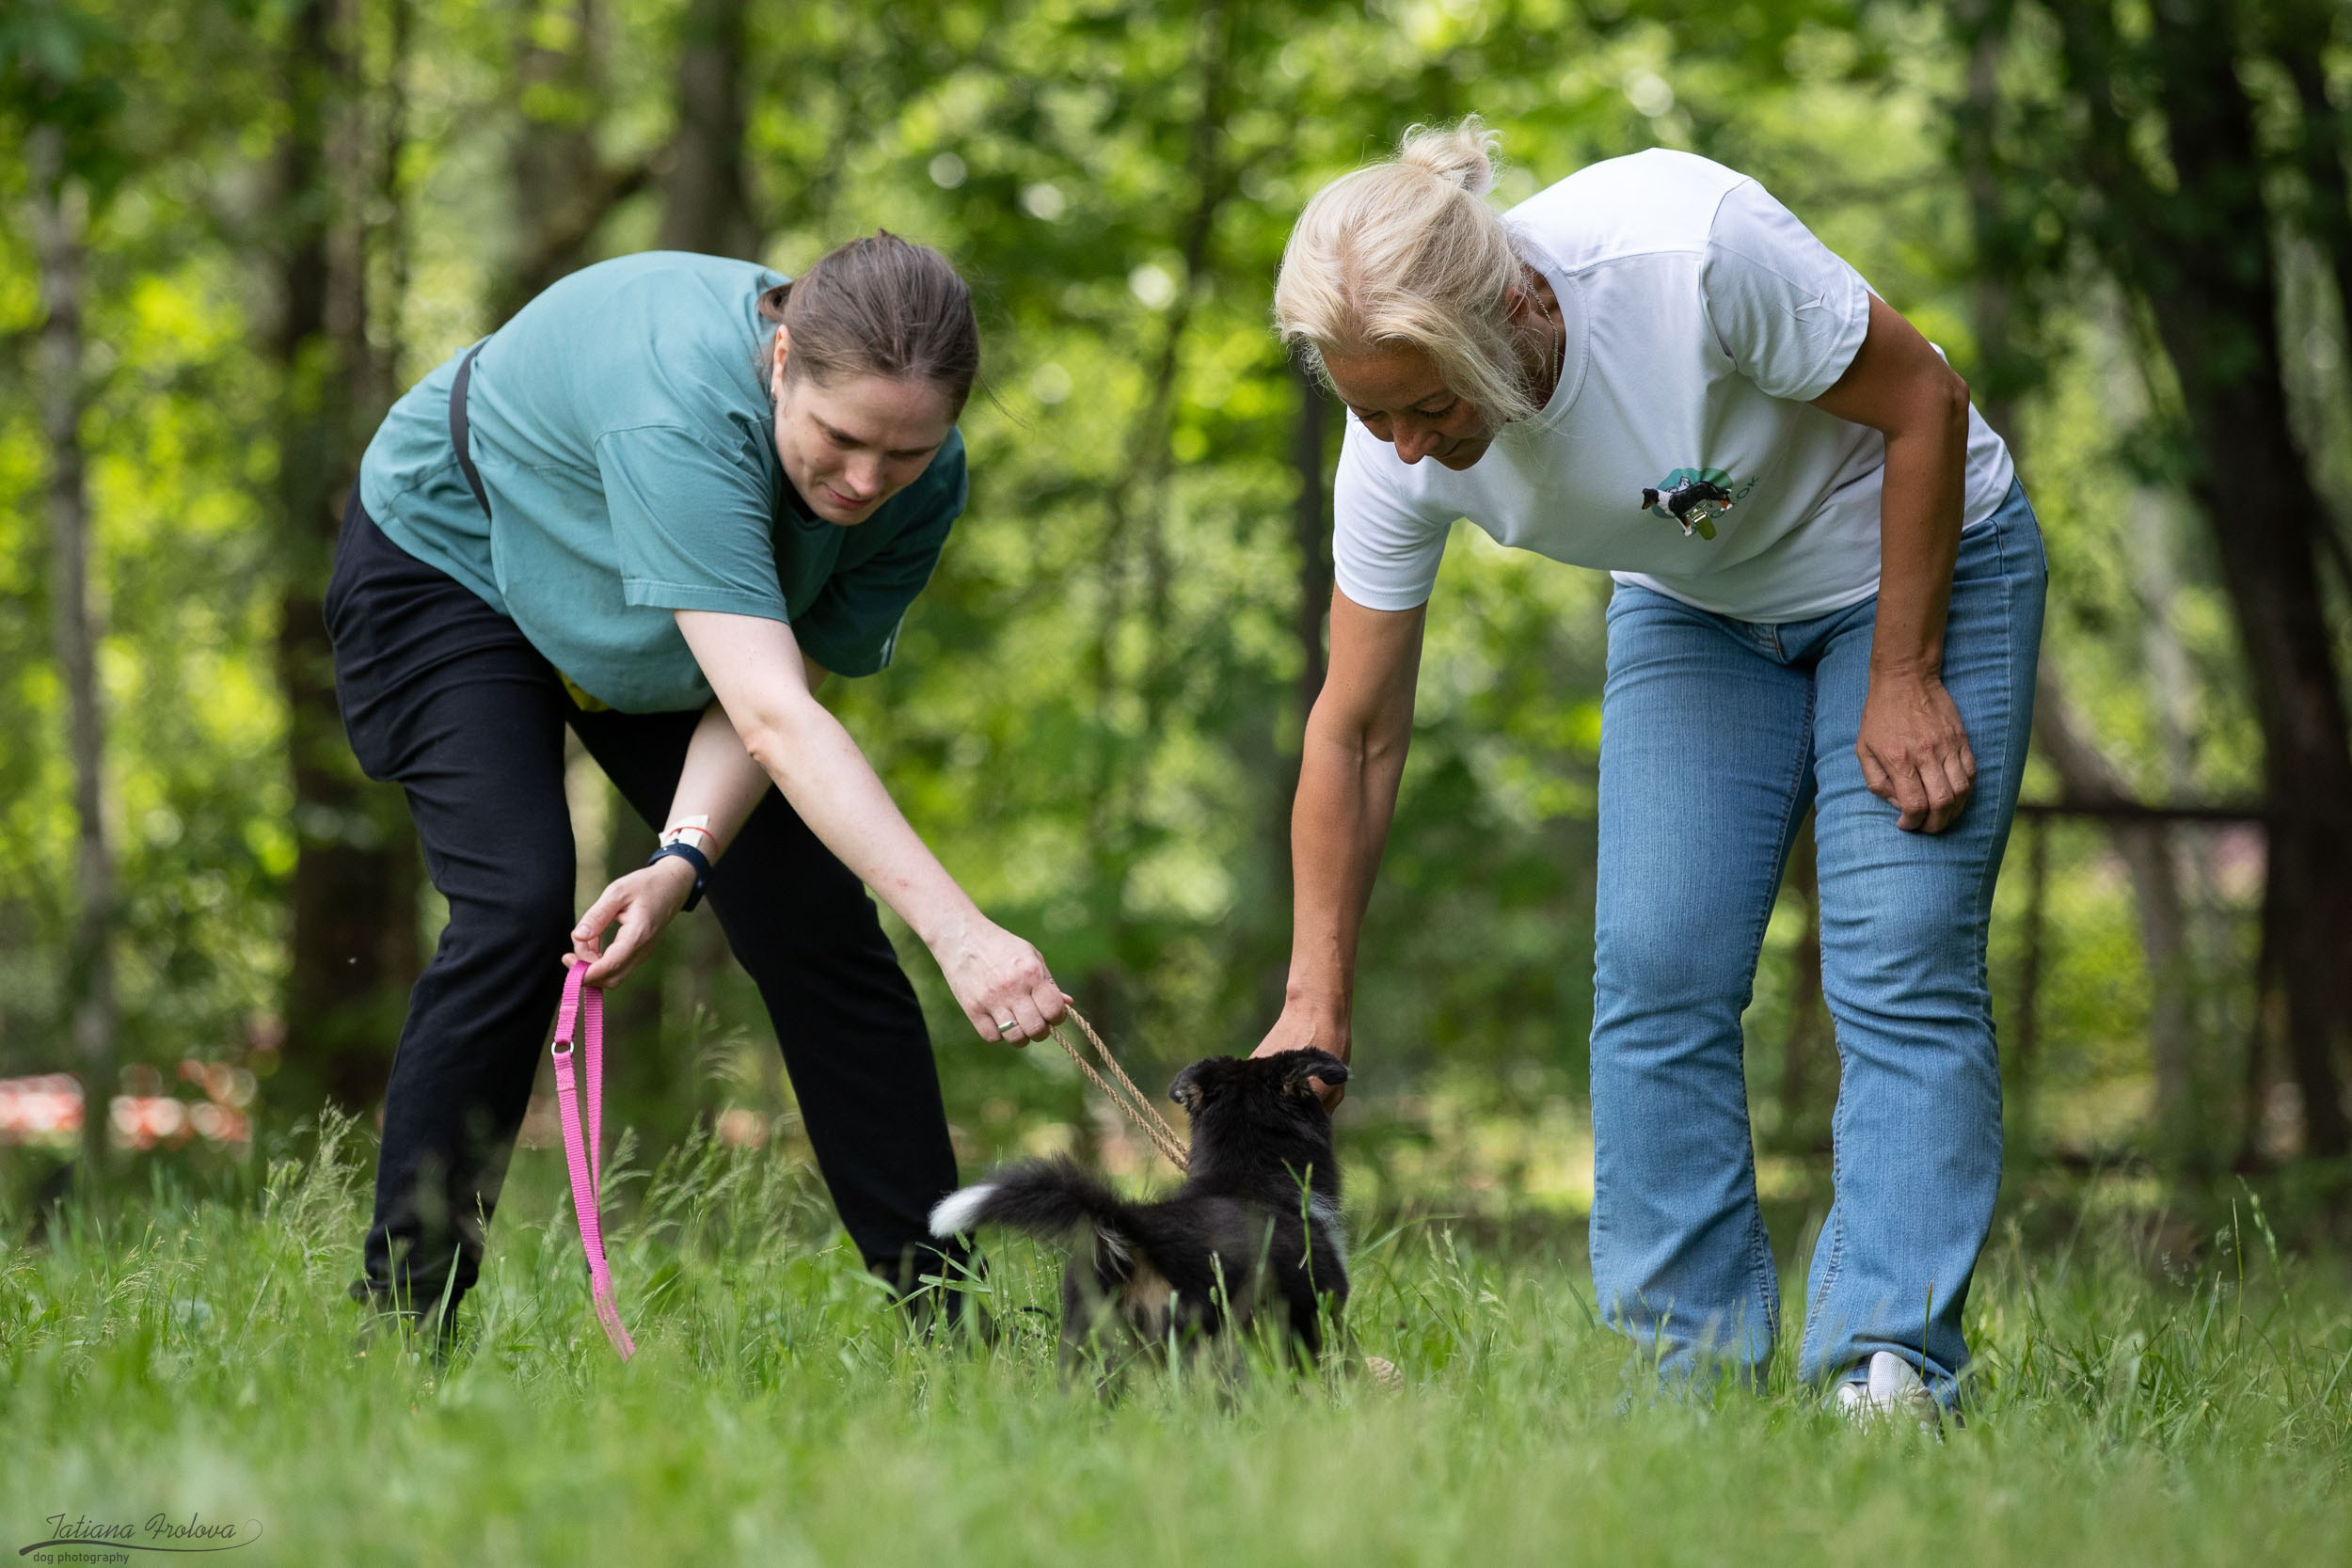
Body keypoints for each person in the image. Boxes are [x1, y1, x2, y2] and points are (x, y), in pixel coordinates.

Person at [1256, 119, 2044, 1418]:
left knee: (1899, 956)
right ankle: (1688, 1375)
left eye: (1431, 406)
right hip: (1698, 607)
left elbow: (1926, 403)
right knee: (1656, 966)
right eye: (1368, 410)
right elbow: (1355, 727)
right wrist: (1313, 993)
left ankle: (1886, 1363)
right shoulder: (1391, 459)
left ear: (1512, 309)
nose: (1402, 445)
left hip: (1913, 561)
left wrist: (1904, 671)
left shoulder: (1689, 254)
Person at [329, 237, 1067, 1339]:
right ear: (783, 360)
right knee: (518, 904)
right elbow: (777, 720)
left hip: (656, 621)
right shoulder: (677, 408)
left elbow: (773, 695)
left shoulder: (924, 486)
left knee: (813, 919)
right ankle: (404, 1316)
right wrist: (962, 935)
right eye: (841, 438)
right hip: (455, 561)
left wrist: (684, 854)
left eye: (905, 451)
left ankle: (951, 1323)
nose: (866, 480)